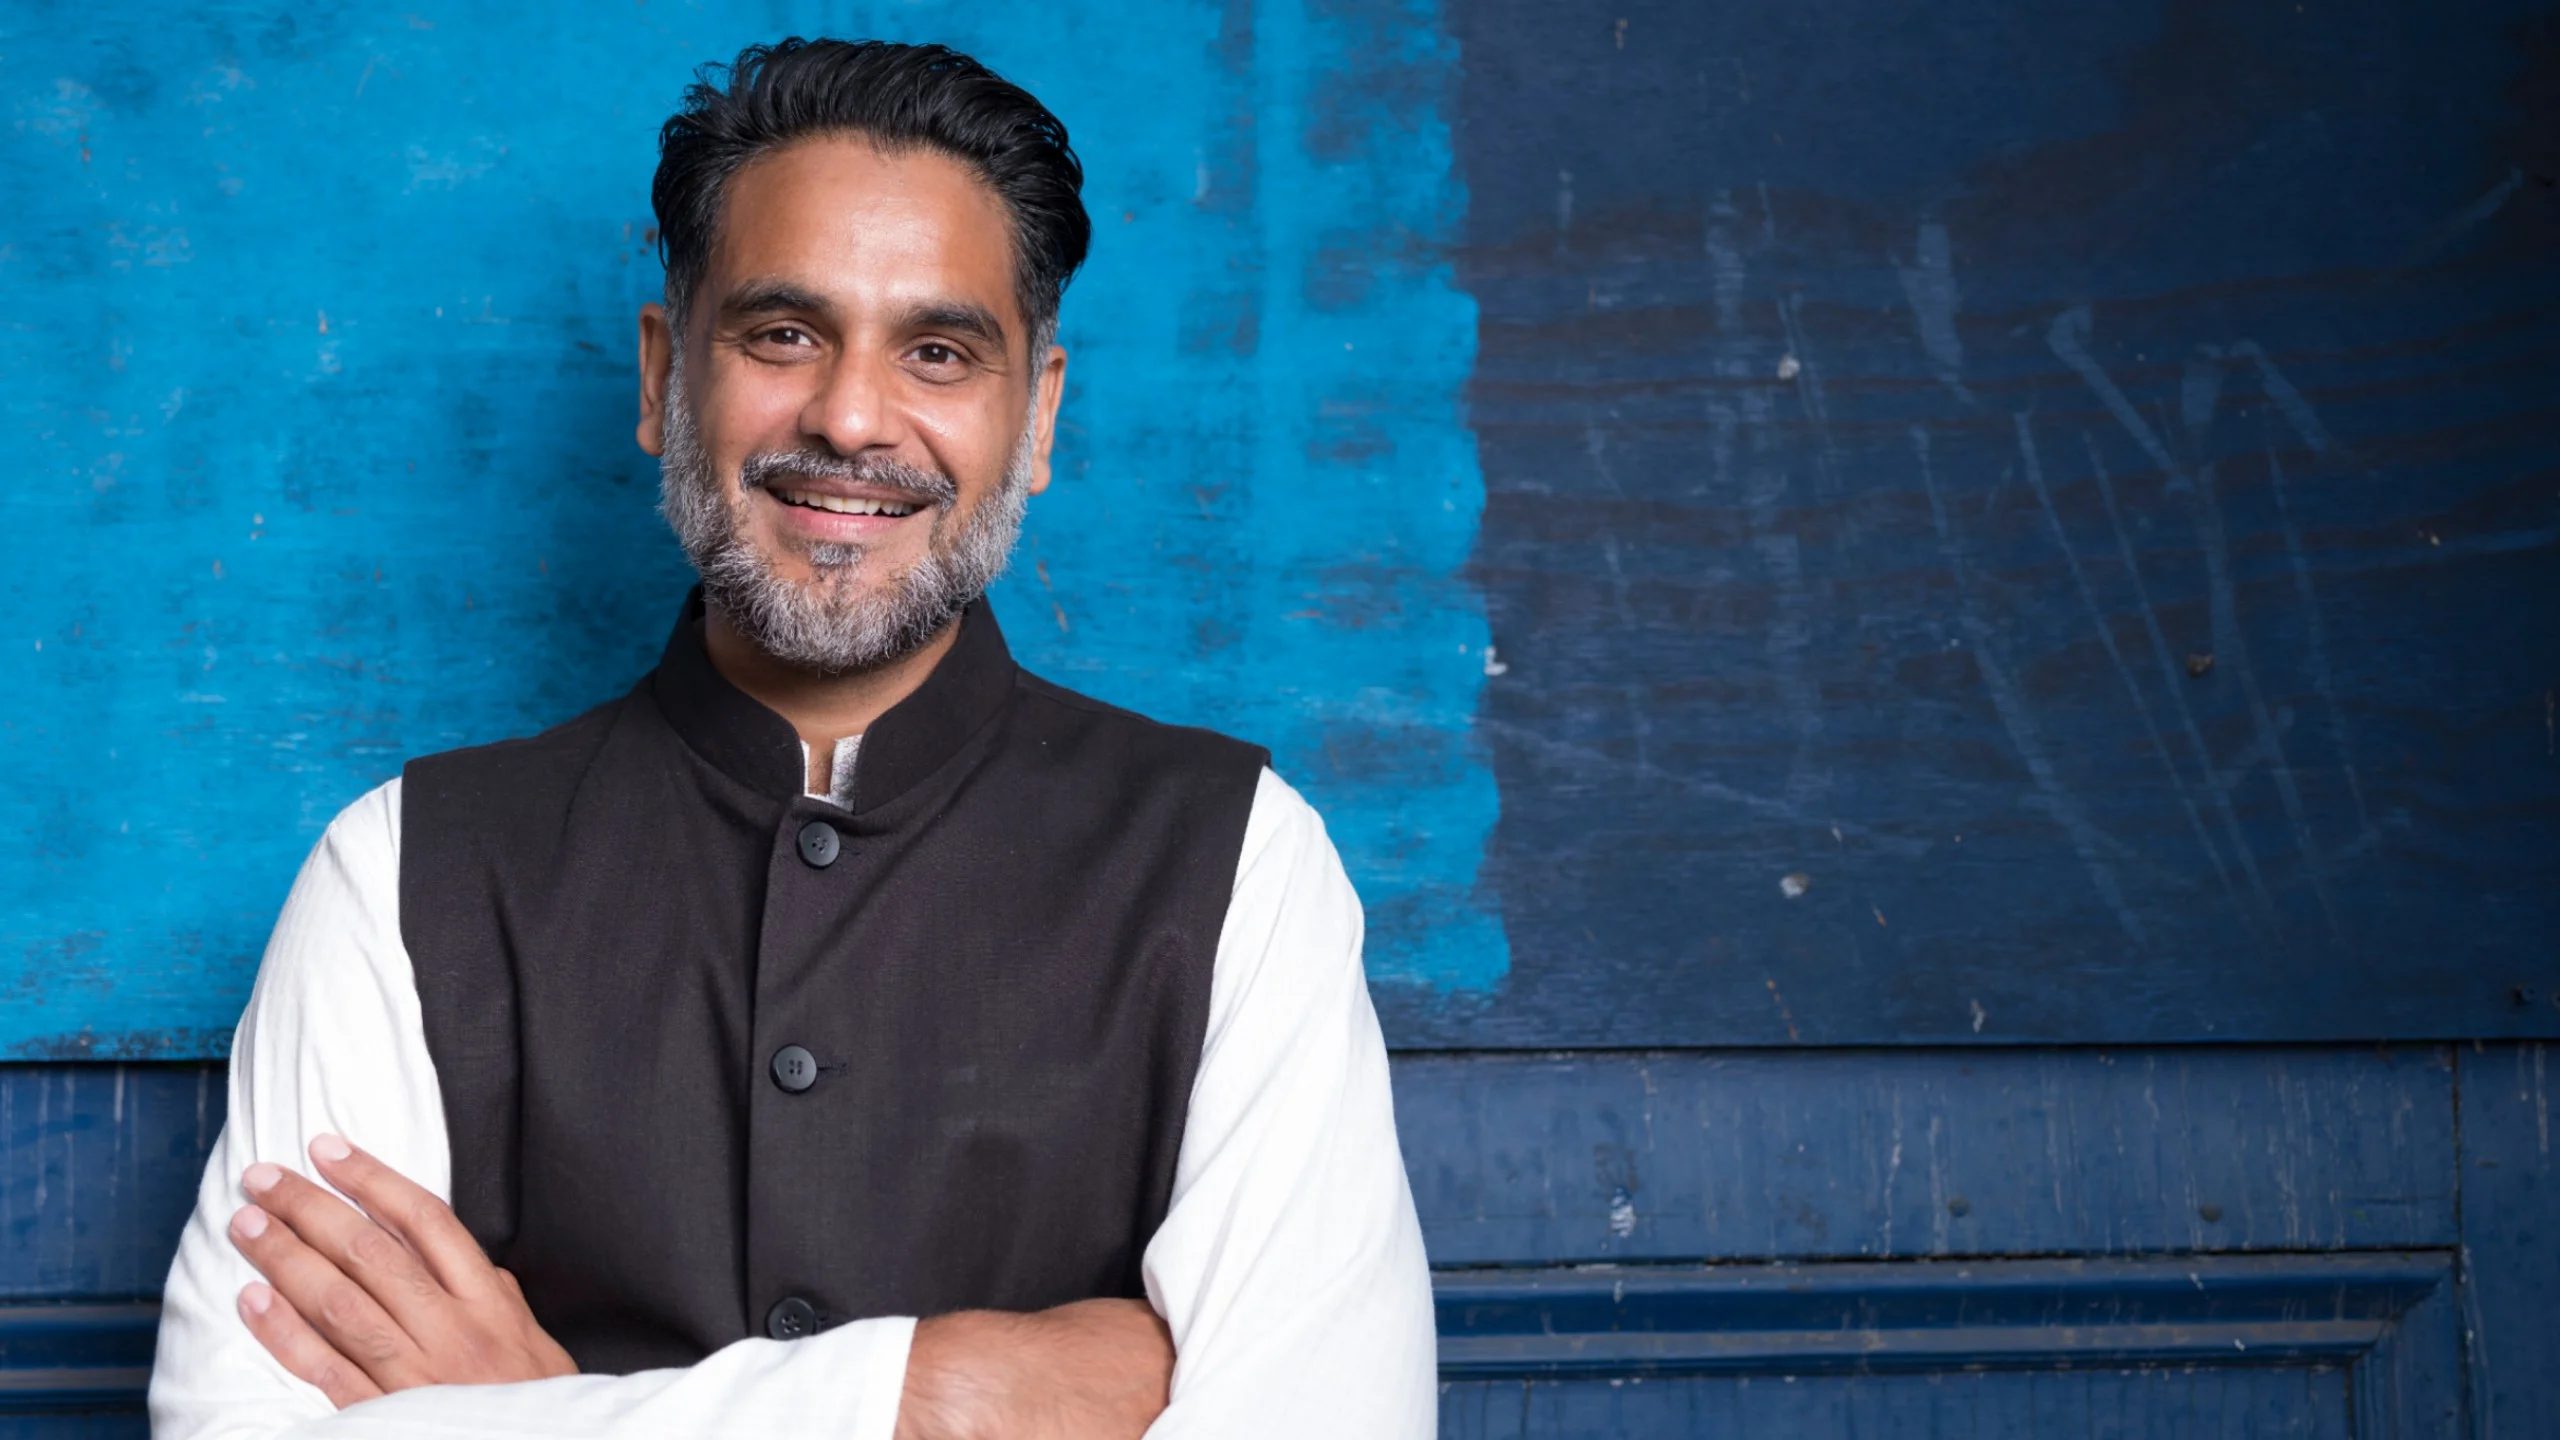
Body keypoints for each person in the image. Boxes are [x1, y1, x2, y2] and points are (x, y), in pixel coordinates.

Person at [147, 37, 1437, 1440]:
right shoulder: (398, 877)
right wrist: (925, 1398)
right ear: (661, 377)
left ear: (1039, 414)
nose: (851, 417)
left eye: (939, 351)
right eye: (782, 334)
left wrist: (542, 1418)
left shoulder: (1237, 863)